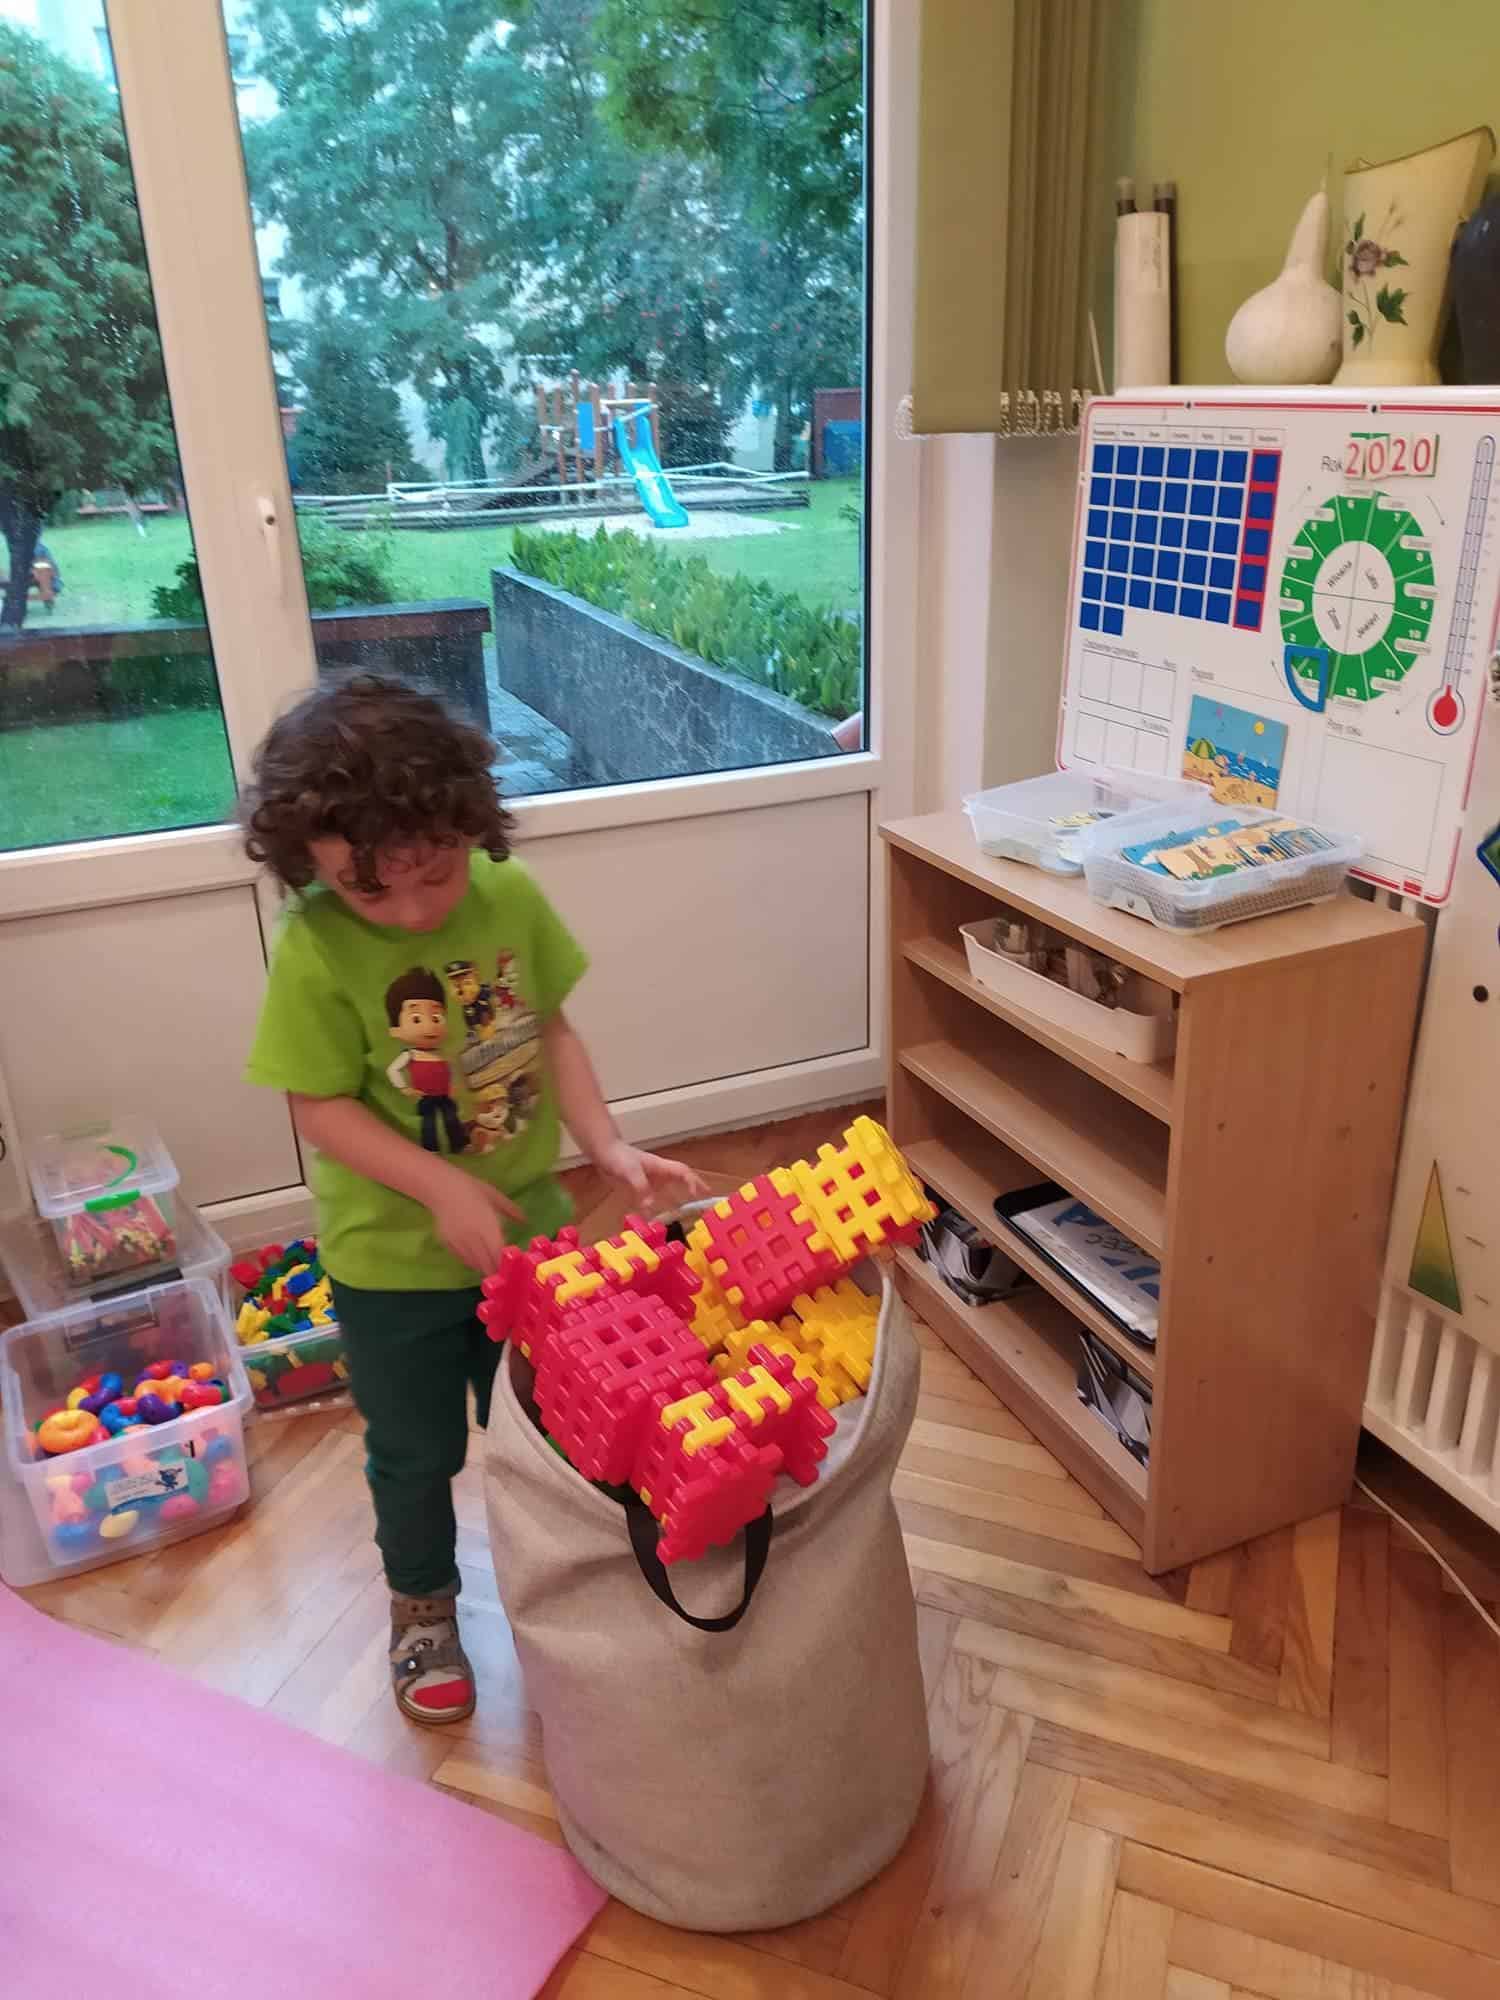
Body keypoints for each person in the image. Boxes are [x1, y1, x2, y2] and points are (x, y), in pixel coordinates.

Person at [240, 673, 706, 1724]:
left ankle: (573, 1581)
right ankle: (423, 1606)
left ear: (469, 828)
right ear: (309, 862)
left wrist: (607, 1144)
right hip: (390, 1266)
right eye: (372, 891)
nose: (413, 910)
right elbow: (318, 1104)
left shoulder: (510, 896)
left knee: (551, 1433)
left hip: (531, 1246)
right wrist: (439, 1184)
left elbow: (552, 1030)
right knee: (415, 1455)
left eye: (436, 873)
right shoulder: (315, 942)